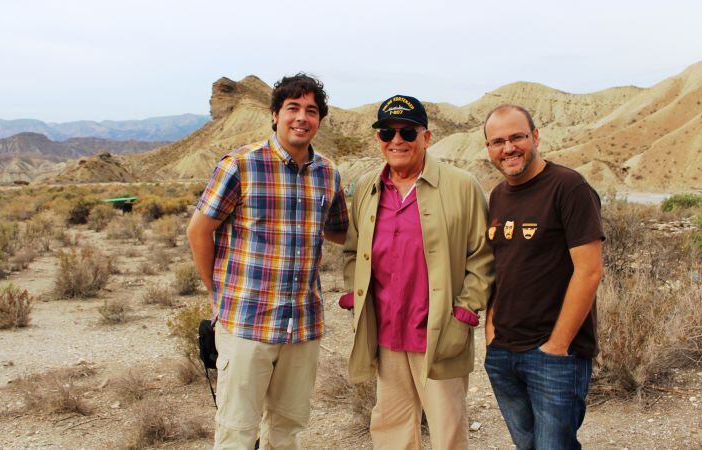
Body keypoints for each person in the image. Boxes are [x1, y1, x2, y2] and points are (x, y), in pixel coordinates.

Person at [186, 73, 349, 450]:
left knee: (287, 428)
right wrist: (218, 293)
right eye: (293, 108)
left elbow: (341, 231)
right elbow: (199, 231)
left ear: (319, 120)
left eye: (311, 110)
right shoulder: (241, 165)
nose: (301, 118)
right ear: (275, 114)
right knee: (236, 431)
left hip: (302, 326)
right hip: (246, 322)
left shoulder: (327, 173)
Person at [342, 95, 494, 449]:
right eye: (387, 133)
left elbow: (483, 258)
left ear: (426, 137)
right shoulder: (367, 187)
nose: (397, 141)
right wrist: (354, 295)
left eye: (407, 132)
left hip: (439, 334)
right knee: (391, 429)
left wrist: (464, 313)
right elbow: (352, 250)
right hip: (386, 334)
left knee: (447, 432)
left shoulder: (461, 185)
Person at [482, 104, 605, 450]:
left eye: (517, 137)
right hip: (503, 351)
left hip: (553, 355)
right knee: (527, 446)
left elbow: (590, 269)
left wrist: (557, 345)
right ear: (489, 149)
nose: (508, 148)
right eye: (498, 141)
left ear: (535, 137)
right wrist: (491, 329)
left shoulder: (569, 186)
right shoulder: (498, 196)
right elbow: (500, 266)